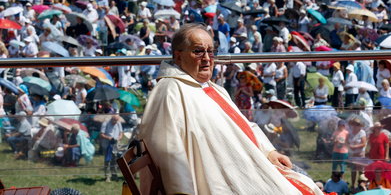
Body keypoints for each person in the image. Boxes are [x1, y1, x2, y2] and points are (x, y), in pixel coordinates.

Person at [139, 24, 323, 194]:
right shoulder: (170, 90)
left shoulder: (211, 87)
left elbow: (244, 125)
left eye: (210, 52)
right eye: (198, 51)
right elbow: (168, 151)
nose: (206, 59)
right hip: (220, 180)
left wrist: (269, 151)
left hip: (246, 165)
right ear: (178, 56)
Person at [100, 115, 123, 182]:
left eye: (116, 120)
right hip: (107, 144)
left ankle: (114, 175)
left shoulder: (118, 123)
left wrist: (119, 138)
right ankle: (107, 176)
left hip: (115, 144)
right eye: (114, 120)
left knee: (115, 160)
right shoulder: (105, 123)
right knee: (107, 161)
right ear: (112, 119)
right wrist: (109, 138)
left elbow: (121, 133)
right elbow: (101, 134)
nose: (115, 122)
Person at [347, 118, 367, 191]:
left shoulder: (362, 132)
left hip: (360, 154)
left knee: (361, 171)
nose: (355, 126)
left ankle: (362, 184)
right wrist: (349, 146)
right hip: (352, 154)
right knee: (353, 170)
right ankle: (353, 185)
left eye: (357, 124)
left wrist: (354, 146)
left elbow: (364, 143)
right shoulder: (350, 132)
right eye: (354, 124)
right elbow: (347, 141)